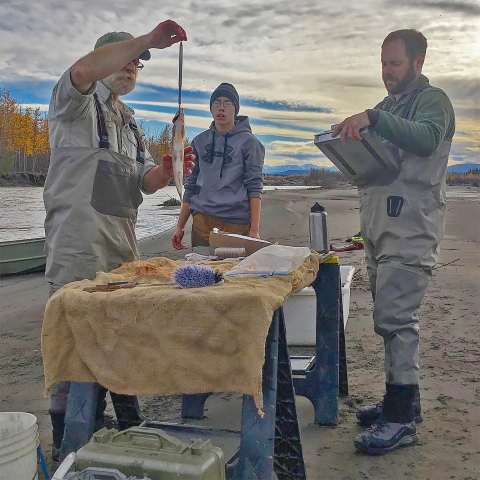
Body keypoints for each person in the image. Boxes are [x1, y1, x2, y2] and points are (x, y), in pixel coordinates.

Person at [43, 20, 195, 465]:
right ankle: (65, 442)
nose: (133, 67)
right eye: (127, 59)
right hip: (77, 247)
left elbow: (144, 184)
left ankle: (126, 425)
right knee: (72, 349)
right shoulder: (74, 105)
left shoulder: (129, 124)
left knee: (119, 342)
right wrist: (147, 40)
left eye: (139, 64)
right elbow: (83, 72)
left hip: (121, 252)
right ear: (106, 59)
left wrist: (167, 173)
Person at [332, 29, 455, 454]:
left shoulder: (433, 100)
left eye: (395, 63)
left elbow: (424, 138)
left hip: (412, 229)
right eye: (383, 63)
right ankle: (403, 401)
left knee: (396, 319)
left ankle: (401, 420)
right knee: (387, 319)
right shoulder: (389, 105)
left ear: (418, 62)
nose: (386, 71)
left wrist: (373, 118)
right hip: (380, 229)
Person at [172, 83, 265, 250]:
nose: (221, 108)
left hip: (236, 223)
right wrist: (180, 226)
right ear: (211, 108)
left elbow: (255, 186)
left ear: (235, 108)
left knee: (232, 273)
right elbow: (191, 185)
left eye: (227, 103)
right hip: (202, 222)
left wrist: (255, 230)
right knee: (201, 272)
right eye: (216, 103)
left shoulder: (250, 144)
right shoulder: (199, 142)